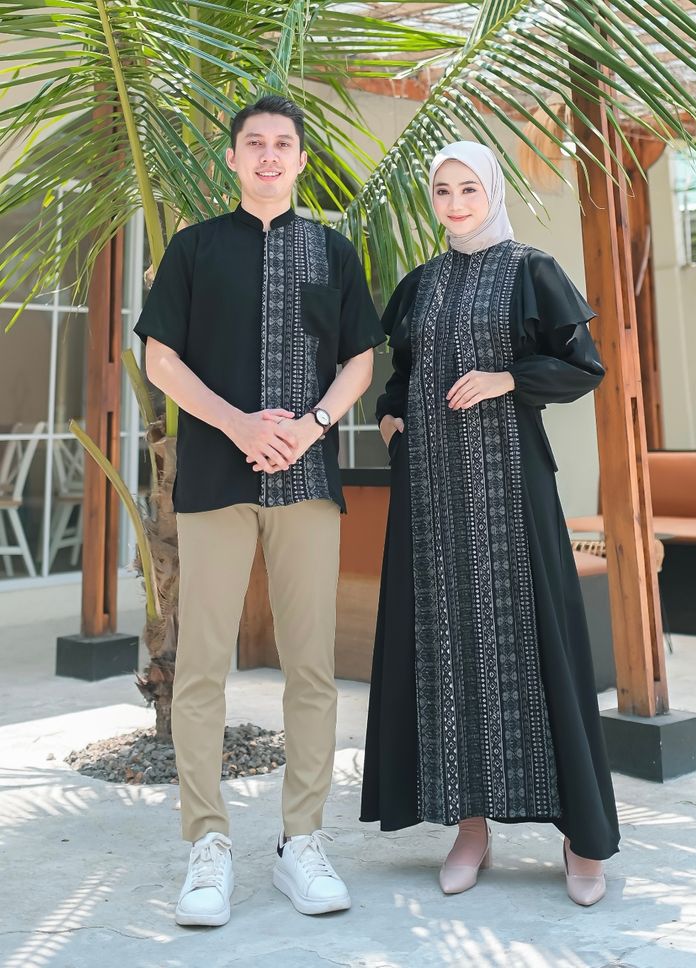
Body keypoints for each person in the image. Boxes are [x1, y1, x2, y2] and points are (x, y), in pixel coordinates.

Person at [135, 95, 384, 926]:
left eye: (283, 143)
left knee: (310, 668)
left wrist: (309, 426)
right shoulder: (195, 248)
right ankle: (206, 844)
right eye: (255, 143)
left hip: (306, 483)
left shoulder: (334, 251)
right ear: (234, 159)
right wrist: (239, 425)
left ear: (301, 159)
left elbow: (359, 360)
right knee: (203, 667)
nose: (270, 154)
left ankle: (300, 842)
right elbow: (161, 359)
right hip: (215, 479)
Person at [361, 141, 620, 906]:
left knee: (540, 645)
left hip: (511, 491)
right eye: (442, 191)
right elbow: (401, 375)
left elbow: (582, 366)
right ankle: (469, 829)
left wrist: (509, 377)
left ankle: (581, 837)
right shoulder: (421, 284)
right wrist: (390, 420)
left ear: (493, 191)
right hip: (431, 496)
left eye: (468, 188)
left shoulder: (532, 271)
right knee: (445, 652)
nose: (454, 203)